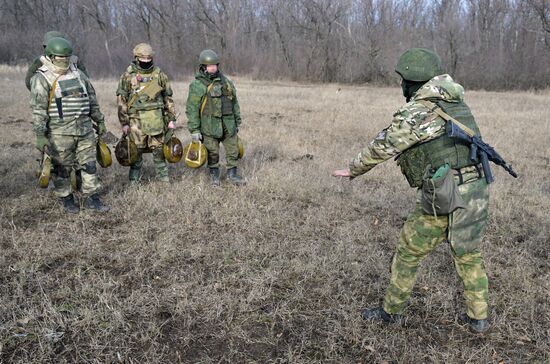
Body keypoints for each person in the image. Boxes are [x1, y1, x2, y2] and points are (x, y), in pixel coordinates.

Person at [333, 48, 492, 333]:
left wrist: (354, 168)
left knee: (408, 252)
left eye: (403, 79)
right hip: (477, 187)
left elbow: (384, 145)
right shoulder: (456, 102)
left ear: (413, 81)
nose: (401, 85)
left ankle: (391, 312)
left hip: (446, 192)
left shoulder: (418, 111)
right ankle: (479, 318)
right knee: (469, 254)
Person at [30, 37, 109, 213]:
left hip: (85, 129)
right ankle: (66, 199)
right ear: (50, 56)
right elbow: (38, 110)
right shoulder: (41, 78)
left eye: (67, 56)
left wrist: (100, 121)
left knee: (89, 165)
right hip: (59, 132)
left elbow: (91, 100)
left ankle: (92, 198)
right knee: (62, 168)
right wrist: (40, 135)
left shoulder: (79, 74)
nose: (64, 60)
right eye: (60, 57)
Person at [116, 43, 176, 184]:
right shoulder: (127, 76)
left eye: (149, 58)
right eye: (143, 59)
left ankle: (164, 181)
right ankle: (134, 182)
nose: (146, 61)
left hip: (157, 119)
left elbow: (168, 98)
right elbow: (121, 101)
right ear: (136, 58)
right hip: (136, 121)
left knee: (159, 152)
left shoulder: (159, 75)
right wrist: (124, 123)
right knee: (135, 153)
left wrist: (171, 118)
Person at [185, 49, 245, 186]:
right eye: (209, 66)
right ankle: (214, 178)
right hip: (209, 126)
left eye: (215, 65)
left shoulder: (227, 82)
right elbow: (192, 109)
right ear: (203, 67)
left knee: (233, 150)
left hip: (228, 124)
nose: (213, 68)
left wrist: (237, 121)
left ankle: (232, 176)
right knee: (212, 153)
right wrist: (194, 130)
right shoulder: (197, 85)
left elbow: (234, 102)